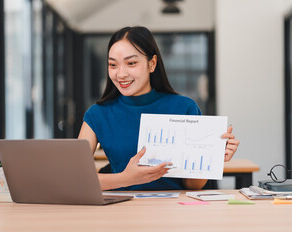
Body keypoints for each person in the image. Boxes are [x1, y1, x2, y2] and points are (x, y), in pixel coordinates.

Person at [78, 26, 240, 191]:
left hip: (174, 211)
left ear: (152, 64)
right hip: (120, 210)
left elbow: (193, 185)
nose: (121, 74)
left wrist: (210, 156)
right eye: (113, 65)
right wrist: (125, 179)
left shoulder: (185, 108)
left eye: (131, 63)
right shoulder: (97, 114)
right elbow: (75, 178)